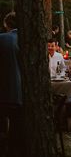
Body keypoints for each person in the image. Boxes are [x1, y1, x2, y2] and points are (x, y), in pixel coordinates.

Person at [0, 12, 25, 157]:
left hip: (4, 92)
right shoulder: (27, 39)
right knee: (17, 127)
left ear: (6, 24)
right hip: (21, 93)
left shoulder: (3, 39)